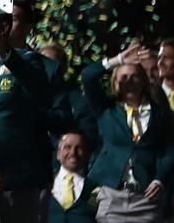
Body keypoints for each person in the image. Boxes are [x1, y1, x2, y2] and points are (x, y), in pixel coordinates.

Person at [0, 10, 52, 223]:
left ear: (3, 28)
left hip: (16, 177)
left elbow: (37, 88)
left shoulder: (26, 61)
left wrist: (6, 54)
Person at [78, 46, 171, 222]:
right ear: (115, 83)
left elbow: (169, 150)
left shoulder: (160, 112)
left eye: (135, 77)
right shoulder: (106, 109)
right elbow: (87, 76)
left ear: (143, 81)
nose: (129, 82)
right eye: (124, 77)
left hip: (147, 198)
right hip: (112, 196)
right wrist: (118, 60)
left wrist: (160, 179)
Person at [48, 131, 96, 223]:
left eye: (79, 148)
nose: (73, 152)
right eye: (67, 147)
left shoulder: (94, 189)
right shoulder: (45, 184)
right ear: (58, 154)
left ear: (87, 154)